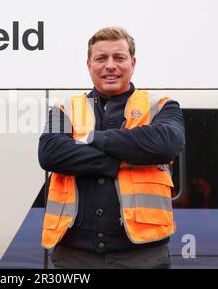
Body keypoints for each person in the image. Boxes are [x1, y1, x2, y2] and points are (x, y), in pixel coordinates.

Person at [38, 26, 185, 269]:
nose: (110, 65)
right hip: (74, 256)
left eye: (119, 57)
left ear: (133, 63)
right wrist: (123, 158)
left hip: (143, 256)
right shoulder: (63, 108)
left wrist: (93, 138)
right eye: (101, 58)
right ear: (89, 65)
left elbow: (166, 143)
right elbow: (50, 153)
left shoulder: (162, 106)